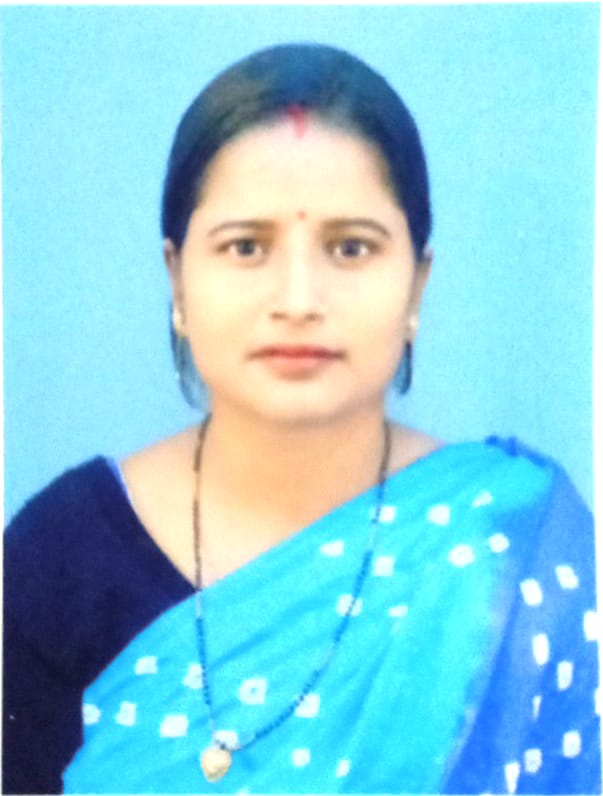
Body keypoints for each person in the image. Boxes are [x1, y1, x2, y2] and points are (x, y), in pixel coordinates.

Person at [3, 42, 600, 795]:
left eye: (350, 248)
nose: (298, 298)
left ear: (416, 285)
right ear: (177, 281)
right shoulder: (56, 561)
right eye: (245, 247)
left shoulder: (508, 541)